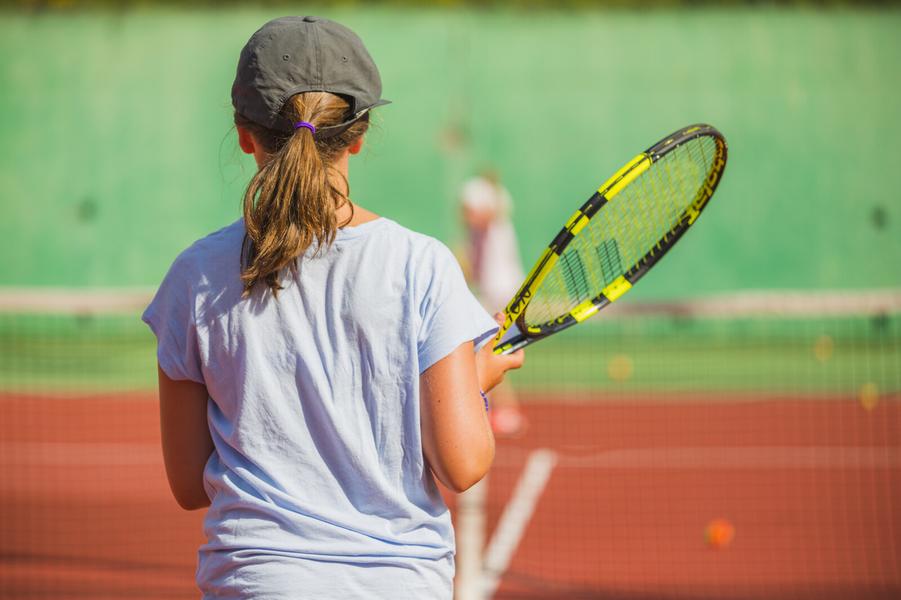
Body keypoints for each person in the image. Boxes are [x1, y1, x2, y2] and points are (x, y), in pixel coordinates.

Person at [142, 16, 524, 599]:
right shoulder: (422, 264)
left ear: (245, 134)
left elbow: (191, 484)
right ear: (359, 134)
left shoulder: (194, 274)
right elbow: (463, 463)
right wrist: (476, 381)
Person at [460, 170, 528, 437]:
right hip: (491, 291)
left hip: (501, 291)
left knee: (490, 347)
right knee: (486, 347)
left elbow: (488, 214)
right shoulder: (477, 234)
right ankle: (499, 407)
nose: (467, 214)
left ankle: (502, 409)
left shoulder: (494, 225)